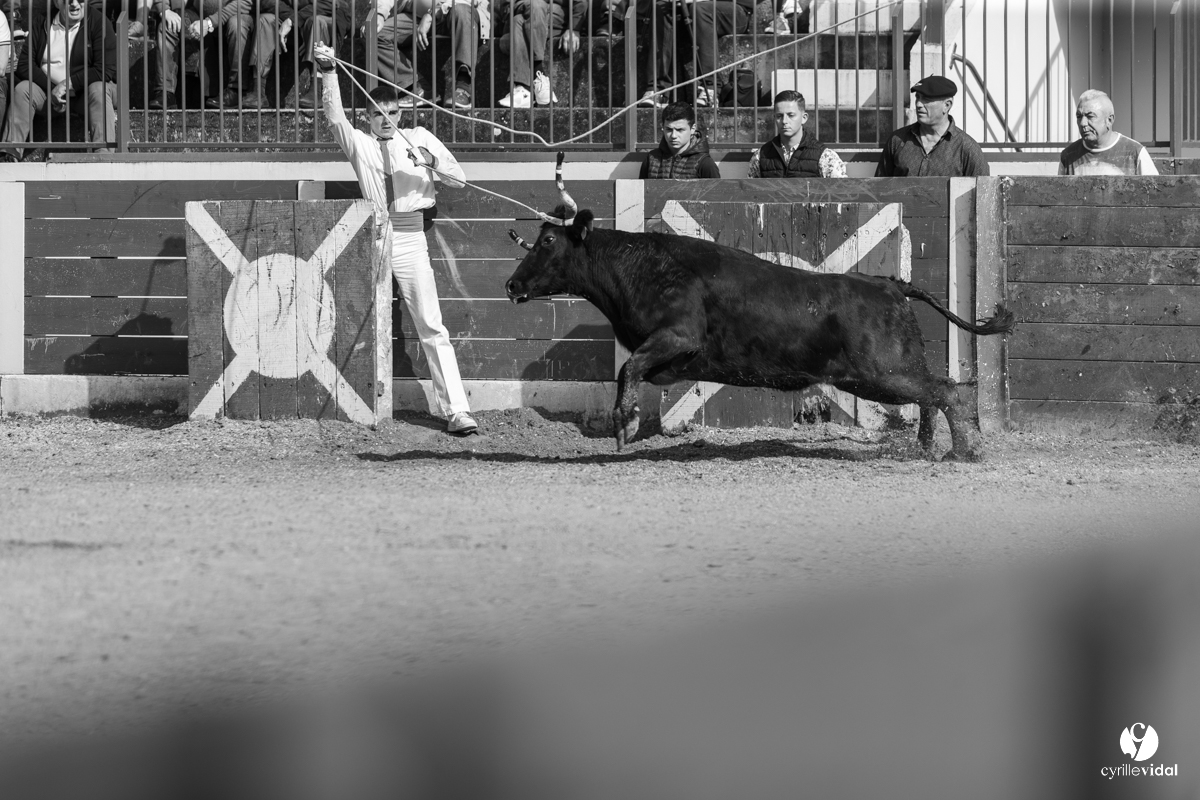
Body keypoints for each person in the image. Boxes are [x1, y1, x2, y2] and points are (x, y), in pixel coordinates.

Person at [314, 40, 479, 436]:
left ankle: (457, 410)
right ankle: (359, 407)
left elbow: (460, 178)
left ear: (401, 113)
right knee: (364, 323)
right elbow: (334, 117)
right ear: (368, 117)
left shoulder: (419, 137)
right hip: (374, 239)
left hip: (409, 238)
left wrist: (433, 162)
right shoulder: (360, 144)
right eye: (378, 114)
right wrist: (329, 71)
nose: (386, 120)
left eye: (391, 113)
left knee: (431, 324)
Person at [0, 0, 116, 160]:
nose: (75, 4)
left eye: (80, 0)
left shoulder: (99, 22)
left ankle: (104, 156)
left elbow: (105, 69)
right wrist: (53, 89)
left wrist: (68, 85)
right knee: (24, 89)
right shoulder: (41, 22)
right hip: (48, 95)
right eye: (69, 1)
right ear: (57, 3)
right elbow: (24, 65)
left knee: (98, 89)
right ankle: (10, 153)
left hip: (85, 95)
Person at [635, 0, 753, 109]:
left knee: (700, 8)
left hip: (732, 10)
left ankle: (710, 89)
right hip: (687, 10)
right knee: (660, 7)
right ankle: (657, 91)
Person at [372, 0, 488, 110]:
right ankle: (419, 89)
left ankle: (464, 88)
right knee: (374, 35)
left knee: (462, 11)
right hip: (416, 17)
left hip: (454, 11)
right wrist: (379, 13)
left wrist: (431, 14)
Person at [875, 75, 988, 177]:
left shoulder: (967, 149)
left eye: (926, 99)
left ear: (946, 105)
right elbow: (879, 189)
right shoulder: (897, 141)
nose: (919, 104)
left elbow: (983, 194)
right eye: (917, 97)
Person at [151, 0, 254, 108]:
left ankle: (235, 91)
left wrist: (210, 22)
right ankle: (165, 93)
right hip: (198, 15)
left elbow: (245, 2)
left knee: (237, 24)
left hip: (235, 14)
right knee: (169, 24)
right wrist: (164, 10)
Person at [494, 0, 584, 108]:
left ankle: (525, 88)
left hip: (554, 18)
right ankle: (538, 76)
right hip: (524, 10)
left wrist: (573, 28)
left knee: (533, 7)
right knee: (520, 17)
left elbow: (581, 2)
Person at [747, 90, 846, 178]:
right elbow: (750, 194)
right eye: (779, 116)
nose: (784, 121)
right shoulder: (761, 156)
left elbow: (842, 193)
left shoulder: (824, 157)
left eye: (791, 115)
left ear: (804, 118)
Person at [1058, 89, 1158, 176]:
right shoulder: (1068, 156)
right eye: (1079, 117)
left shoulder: (1135, 152)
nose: (1083, 123)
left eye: (1090, 116)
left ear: (1109, 120)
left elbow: (1155, 194)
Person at [638, 100, 719, 179]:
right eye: (669, 129)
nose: (673, 135)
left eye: (680, 130)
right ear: (662, 127)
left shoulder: (705, 164)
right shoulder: (651, 159)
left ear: (692, 129)